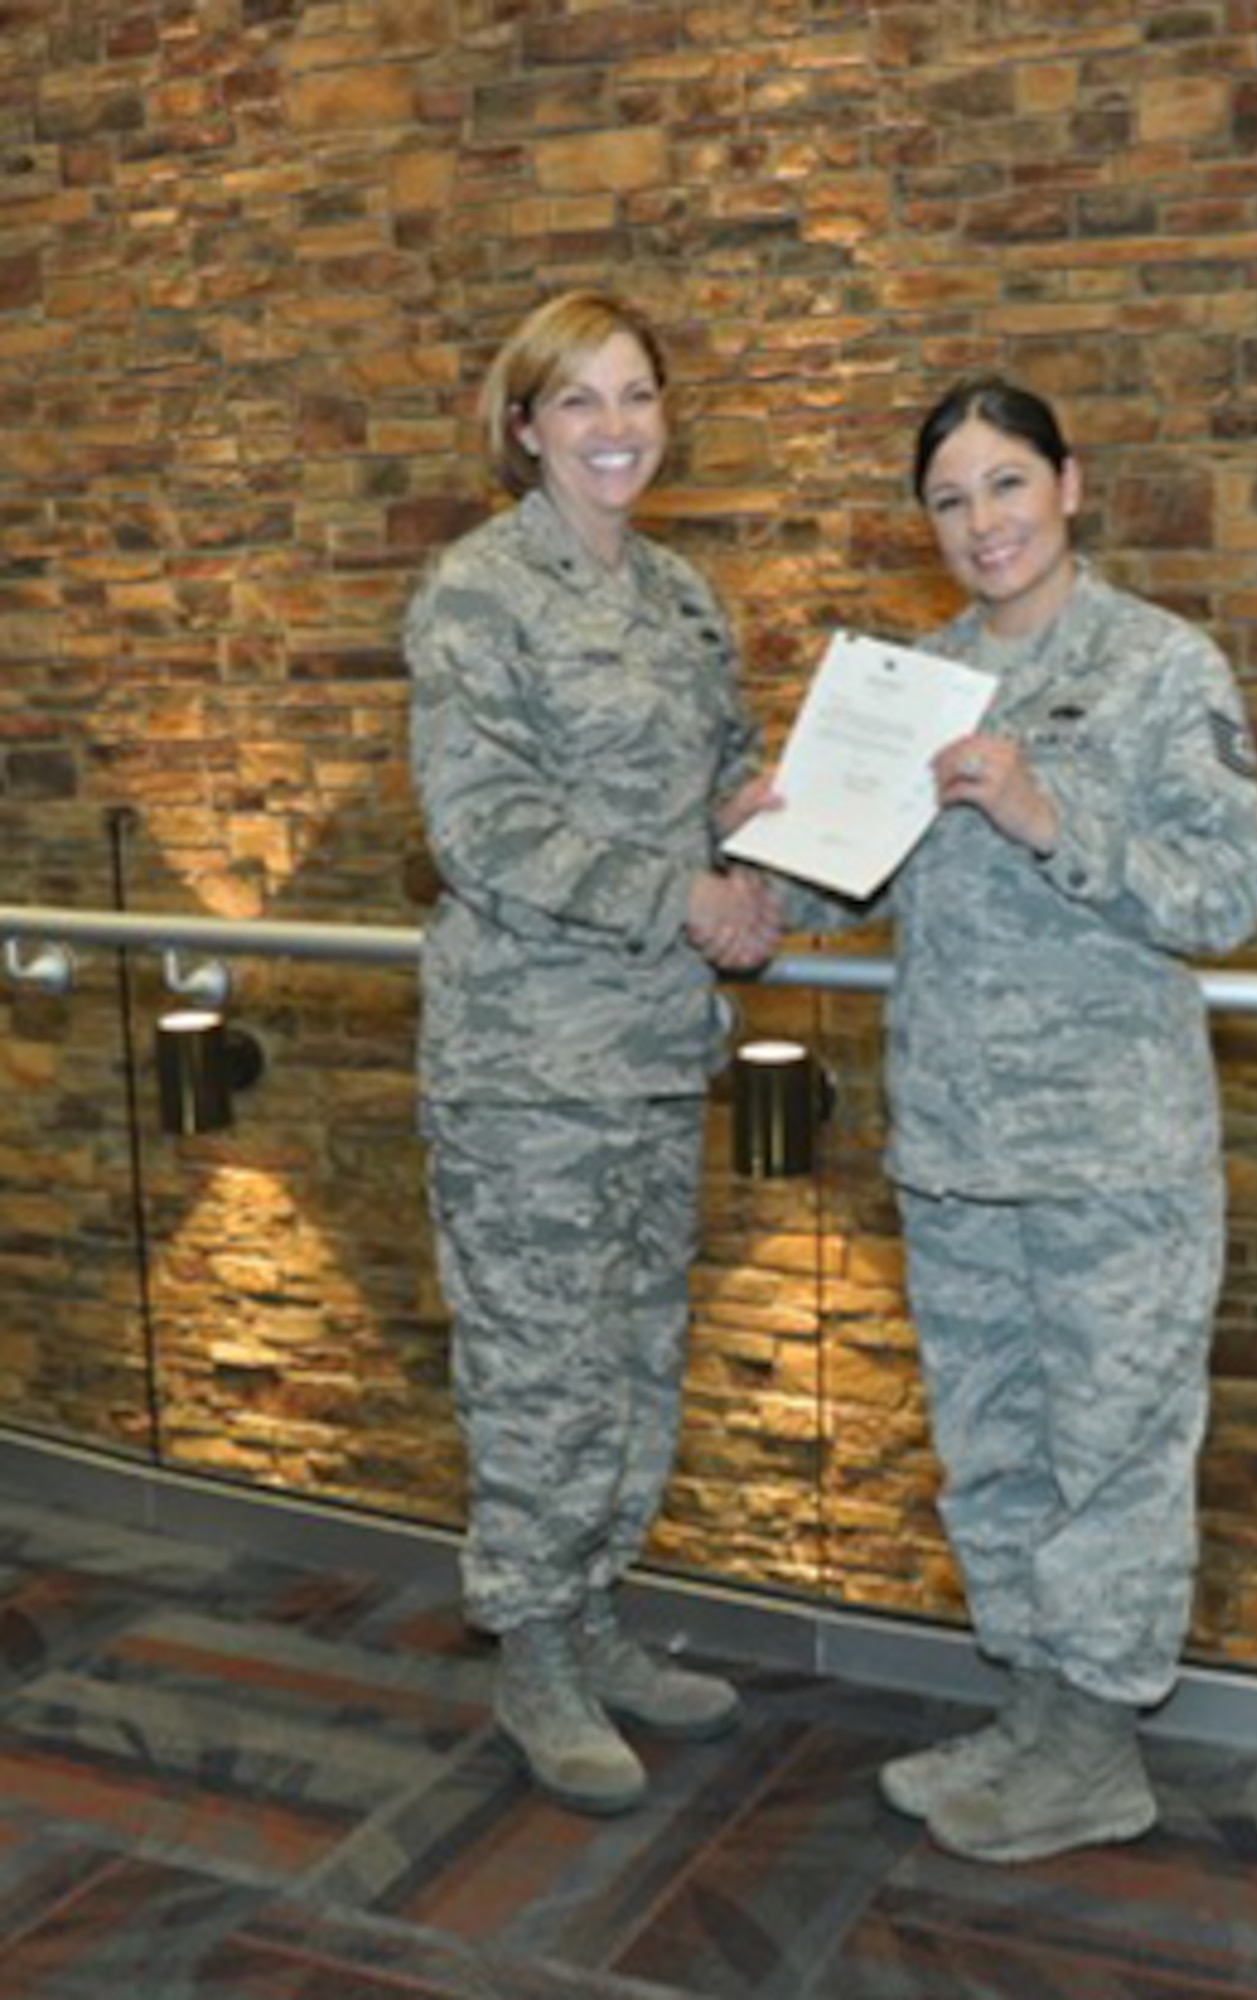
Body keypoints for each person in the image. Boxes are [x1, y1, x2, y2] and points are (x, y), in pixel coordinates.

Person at [765, 376, 1257, 1863]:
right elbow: (834, 877)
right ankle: (1038, 1712)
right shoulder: (905, 684)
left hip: (1112, 1157)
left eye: (1004, 486)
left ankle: (1096, 1750)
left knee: (1112, 1454)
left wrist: (1051, 815)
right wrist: (761, 839)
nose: (979, 523)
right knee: (991, 1451)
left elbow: (1228, 896)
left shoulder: (1158, 667)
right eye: (947, 499)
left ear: (1068, 483)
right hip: (954, 1147)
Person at [405, 290, 780, 1818]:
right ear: (523, 426)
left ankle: (597, 1614)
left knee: (633, 1362)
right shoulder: (478, 592)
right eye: (579, 402)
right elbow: (478, 829)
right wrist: (675, 893)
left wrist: (775, 836)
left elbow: (730, 774)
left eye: (636, 395)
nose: (615, 427)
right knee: (537, 1372)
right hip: (527, 1067)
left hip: (649, 1054)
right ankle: (533, 1653)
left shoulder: (684, 597)